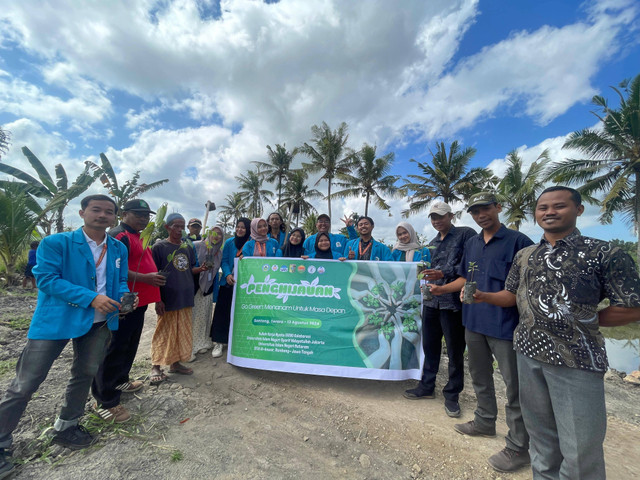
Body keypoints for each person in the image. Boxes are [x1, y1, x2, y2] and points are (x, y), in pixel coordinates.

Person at [472, 186, 640, 479]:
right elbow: (512, 295)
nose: (549, 212)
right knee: (541, 439)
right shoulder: (525, 255)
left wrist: (586, 319)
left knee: (579, 448)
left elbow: (632, 307)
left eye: (558, 206)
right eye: (543, 208)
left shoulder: (604, 253)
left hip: (577, 361)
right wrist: (483, 297)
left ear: (578, 210)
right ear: (536, 214)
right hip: (527, 354)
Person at [0, 195, 128, 477]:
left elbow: (118, 280)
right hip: (57, 320)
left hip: (100, 322)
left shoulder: (117, 247)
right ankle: (1, 440)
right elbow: (47, 279)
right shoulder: (55, 243)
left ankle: (67, 425)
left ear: (114, 218)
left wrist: (123, 298)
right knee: (26, 383)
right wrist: (92, 298)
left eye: (109, 212)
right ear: (82, 213)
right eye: (96, 210)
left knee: (84, 373)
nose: (103, 215)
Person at [429, 192, 533, 473]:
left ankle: (518, 446)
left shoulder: (519, 242)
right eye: (475, 211)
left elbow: (528, 287)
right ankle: (485, 421)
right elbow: (465, 277)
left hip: (505, 326)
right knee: (480, 376)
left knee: (515, 388)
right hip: (473, 322)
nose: (480, 215)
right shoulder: (473, 243)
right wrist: (443, 289)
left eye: (485, 209)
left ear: (498, 208)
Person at [92, 199, 165, 424]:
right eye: (138, 214)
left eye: (146, 215)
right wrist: (145, 278)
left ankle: (121, 379)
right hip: (121, 301)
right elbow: (113, 269)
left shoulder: (139, 236)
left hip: (137, 301)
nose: (144, 218)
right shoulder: (118, 235)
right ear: (124, 214)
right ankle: (105, 400)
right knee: (114, 347)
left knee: (130, 343)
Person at [403, 202, 475, 420]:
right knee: (430, 346)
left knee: (454, 351)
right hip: (432, 301)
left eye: (440, 216)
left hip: (453, 302)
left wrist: (443, 272)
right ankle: (426, 386)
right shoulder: (433, 242)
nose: (436, 221)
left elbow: (470, 265)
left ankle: (452, 395)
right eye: (433, 217)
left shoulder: (465, 234)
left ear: (451, 216)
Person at [150, 213, 207, 382]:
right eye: (176, 226)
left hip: (185, 296)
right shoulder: (159, 247)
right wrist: (157, 298)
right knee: (164, 332)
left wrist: (201, 269)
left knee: (180, 331)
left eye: (182, 226)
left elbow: (188, 269)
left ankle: (175, 364)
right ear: (167, 227)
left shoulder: (186, 247)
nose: (180, 230)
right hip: (168, 297)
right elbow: (154, 275)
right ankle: (156, 366)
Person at [210, 217, 251, 358]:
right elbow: (225, 260)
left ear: (248, 229)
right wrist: (227, 274)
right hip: (228, 283)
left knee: (240, 314)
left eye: (243, 227)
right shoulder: (229, 242)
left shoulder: (251, 243)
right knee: (222, 312)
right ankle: (219, 342)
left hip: (245, 285)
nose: (240, 230)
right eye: (238, 227)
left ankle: (236, 341)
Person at [191, 226, 223, 359]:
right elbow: (187, 266)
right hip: (194, 286)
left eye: (219, 234)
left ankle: (201, 343)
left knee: (203, 316)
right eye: (213, 233)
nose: (216, 236)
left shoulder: (219, 253)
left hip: (208, 288)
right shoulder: (196, 246)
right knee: (191, 317)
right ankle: (189, 347)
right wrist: (199, 269)